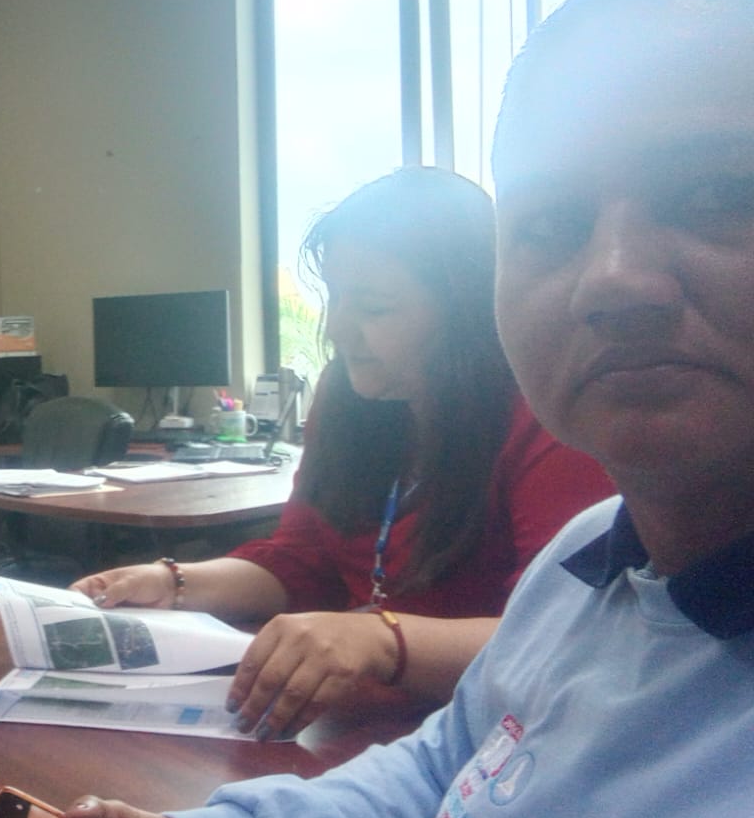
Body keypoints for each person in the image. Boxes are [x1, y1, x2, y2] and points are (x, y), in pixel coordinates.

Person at [40, 0, 754, 818]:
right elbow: (452, 766)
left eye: (719, 193)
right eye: (551, 223)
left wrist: (378, 641)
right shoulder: (592, 559)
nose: (612, 279)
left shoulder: (542, 465)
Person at [74, 168, 612, 740]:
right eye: (334, 298)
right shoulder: (350, 398)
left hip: (494, 734)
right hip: (363, 723)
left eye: (374, 309)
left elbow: (562, 638)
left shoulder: (548, 420)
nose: (337, 330)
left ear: (469, 313)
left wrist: (380, 641)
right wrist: (174, 582)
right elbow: (302, 558)